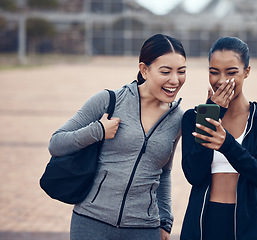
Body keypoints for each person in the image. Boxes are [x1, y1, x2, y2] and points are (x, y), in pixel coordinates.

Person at [48, 34, 187, 240]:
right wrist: (98, 131)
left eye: (181, 72)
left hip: (144, 228)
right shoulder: (109, 101)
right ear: (144, 70)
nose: (174, 80)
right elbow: (56, 143)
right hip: (91, 221)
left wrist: (165, 220)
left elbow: (164, 172)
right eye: (166, 71)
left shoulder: (178, 119)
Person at [180, 37, 257, 240]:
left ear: (247, 72)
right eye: (214, 72)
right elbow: (194, 175)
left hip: (251, 225)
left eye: (231, 72)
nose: (221, 80)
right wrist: (211, 115)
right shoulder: (193, 118)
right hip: (204, 223)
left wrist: (226, 144)